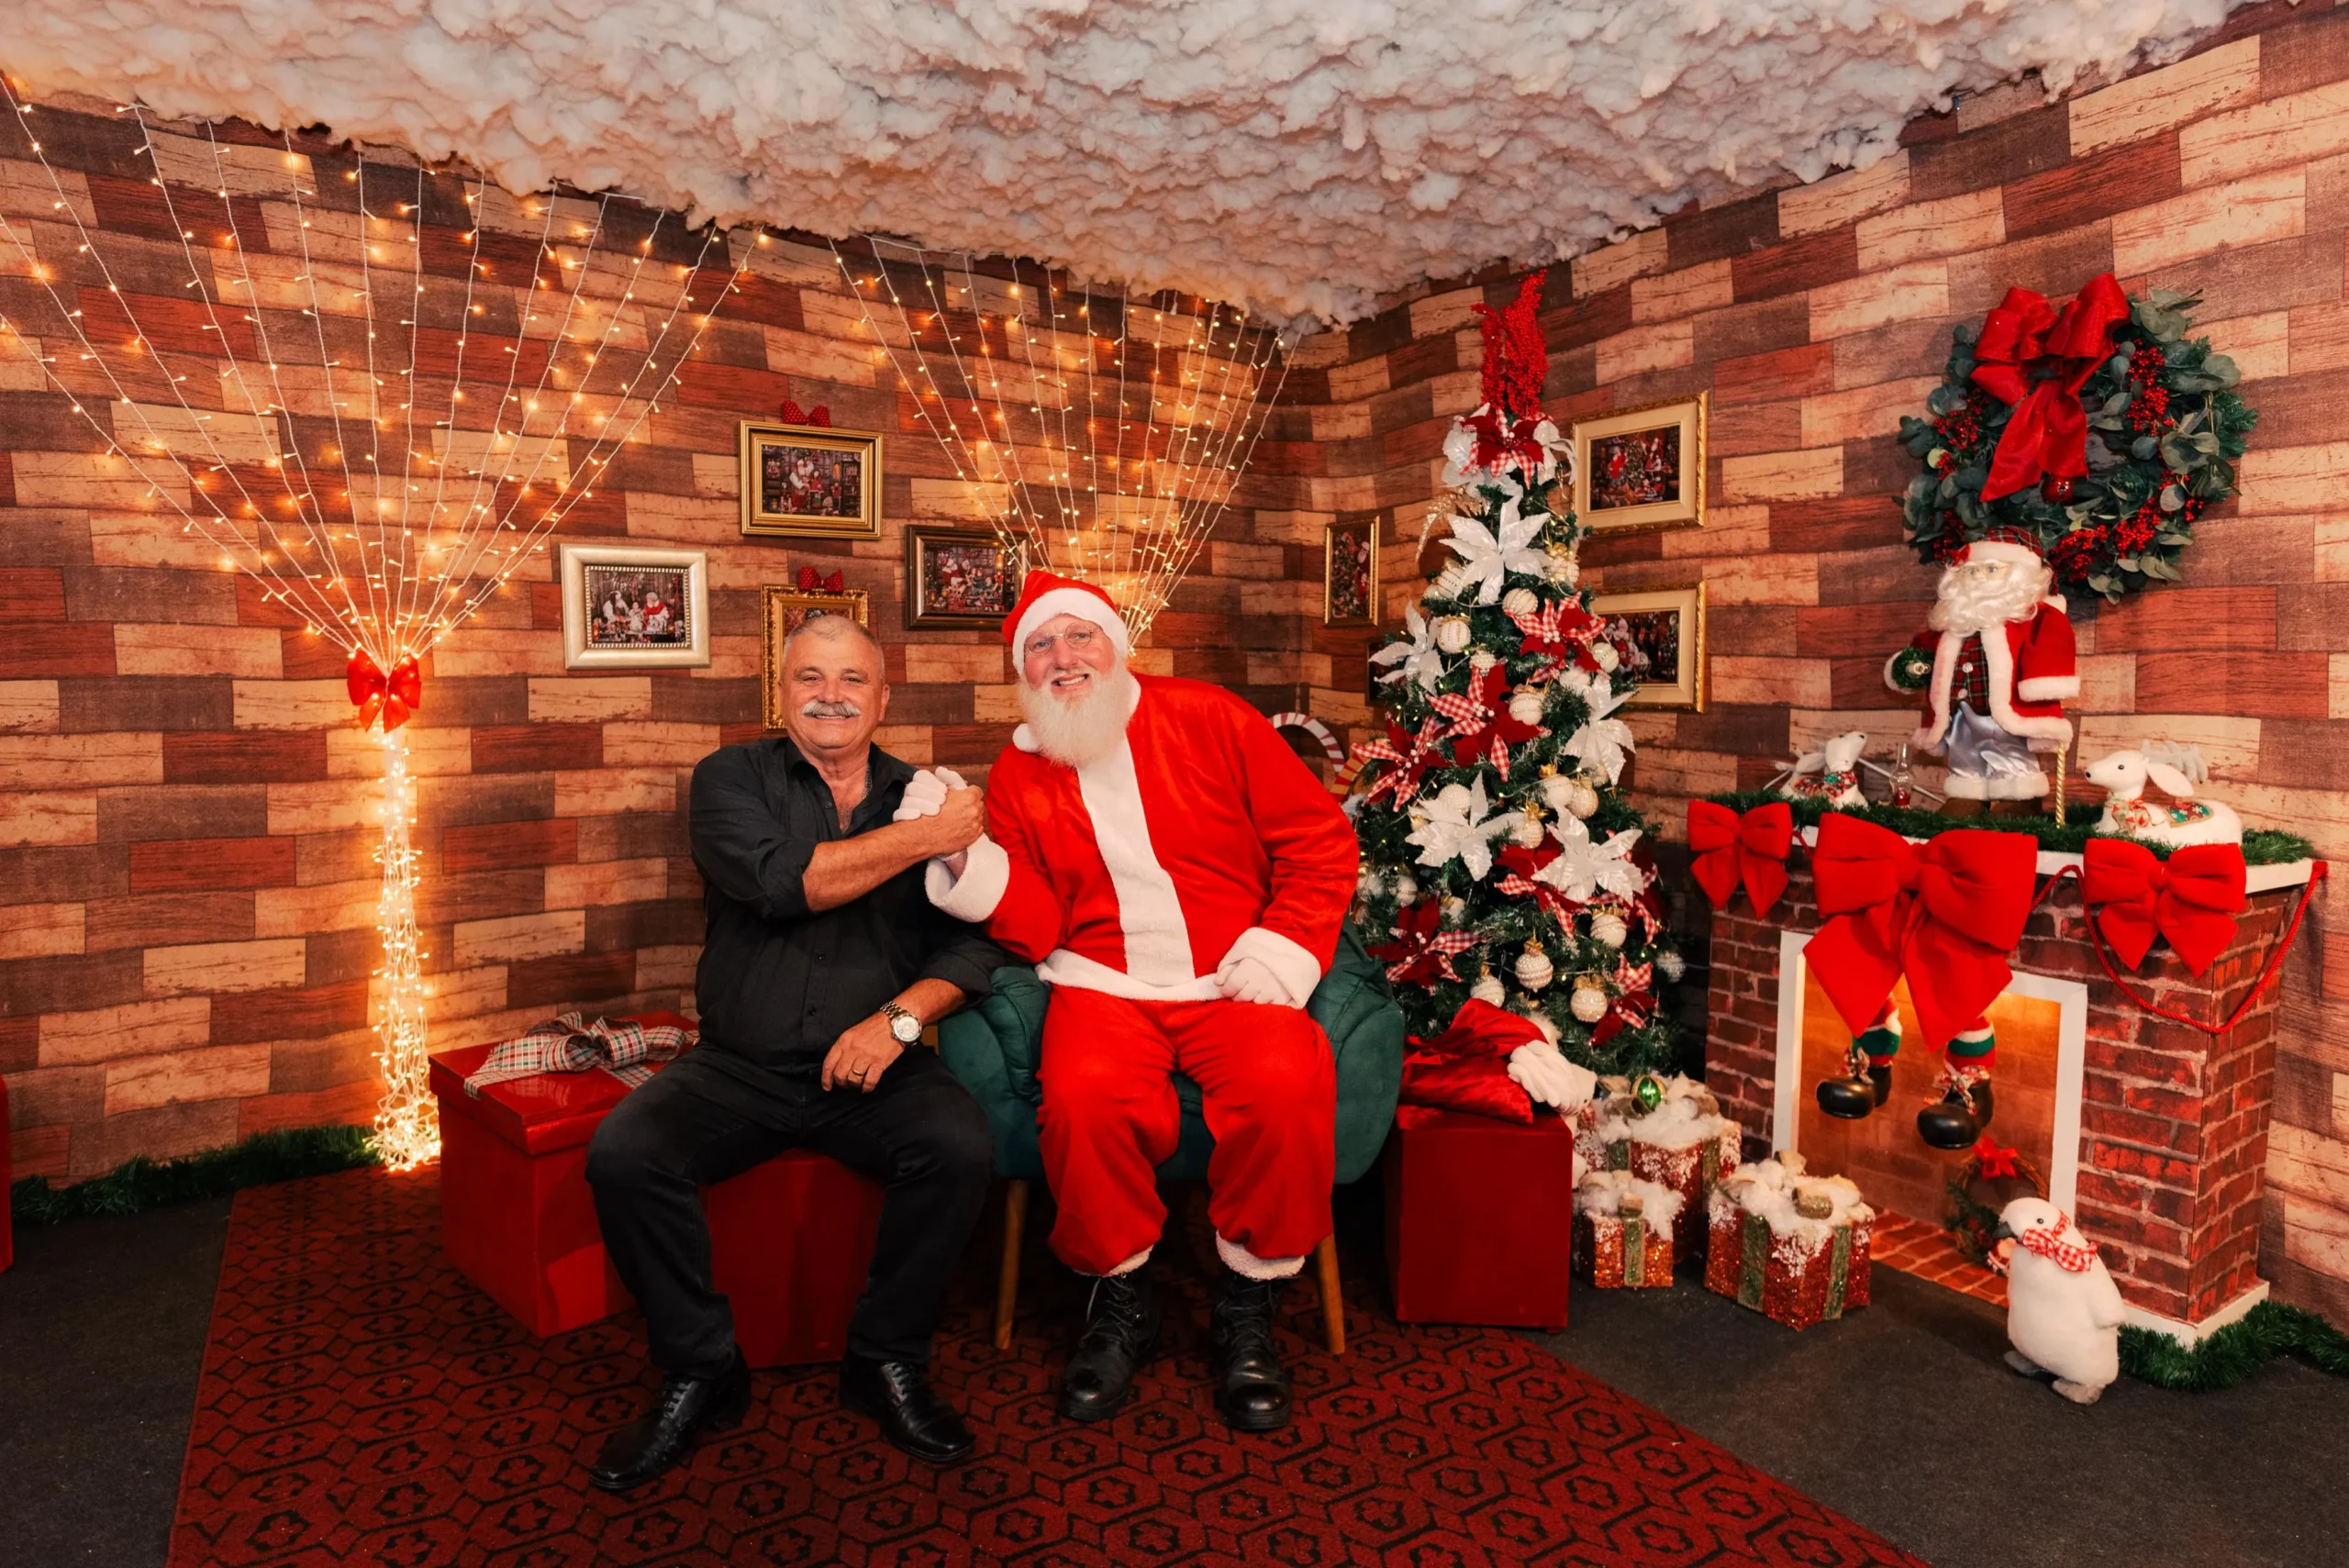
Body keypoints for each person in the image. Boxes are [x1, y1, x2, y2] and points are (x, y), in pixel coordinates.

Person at [909, 571, 1358, 1433]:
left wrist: (1286, 943)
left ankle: (1247, 1306)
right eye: (1041, 645)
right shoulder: (1018, 769)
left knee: (1284, 1083)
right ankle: (1121, 1300)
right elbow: (1036, 925)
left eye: (1080, 636)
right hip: (1103, 985)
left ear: (1119, 647)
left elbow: (1319, 842)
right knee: (1081, 1100)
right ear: (1022, 672)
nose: (1063, 657)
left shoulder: (1209, 717)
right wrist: (967, 864)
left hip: (1233, 972)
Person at [584, 615, 1006, 1491]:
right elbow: (785, 885)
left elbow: (976, 945)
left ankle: (885, 1358)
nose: (831, 695)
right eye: (810, 677)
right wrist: (932, 837)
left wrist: (896, 1022)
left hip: (876, 1064)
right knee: (624, 1155)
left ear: (883, 698)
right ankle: (702, 1368)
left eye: (852, 679)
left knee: (962, 1144)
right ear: (780, 694)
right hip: (737, 1064)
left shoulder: (922, 789)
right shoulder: (728, 778)